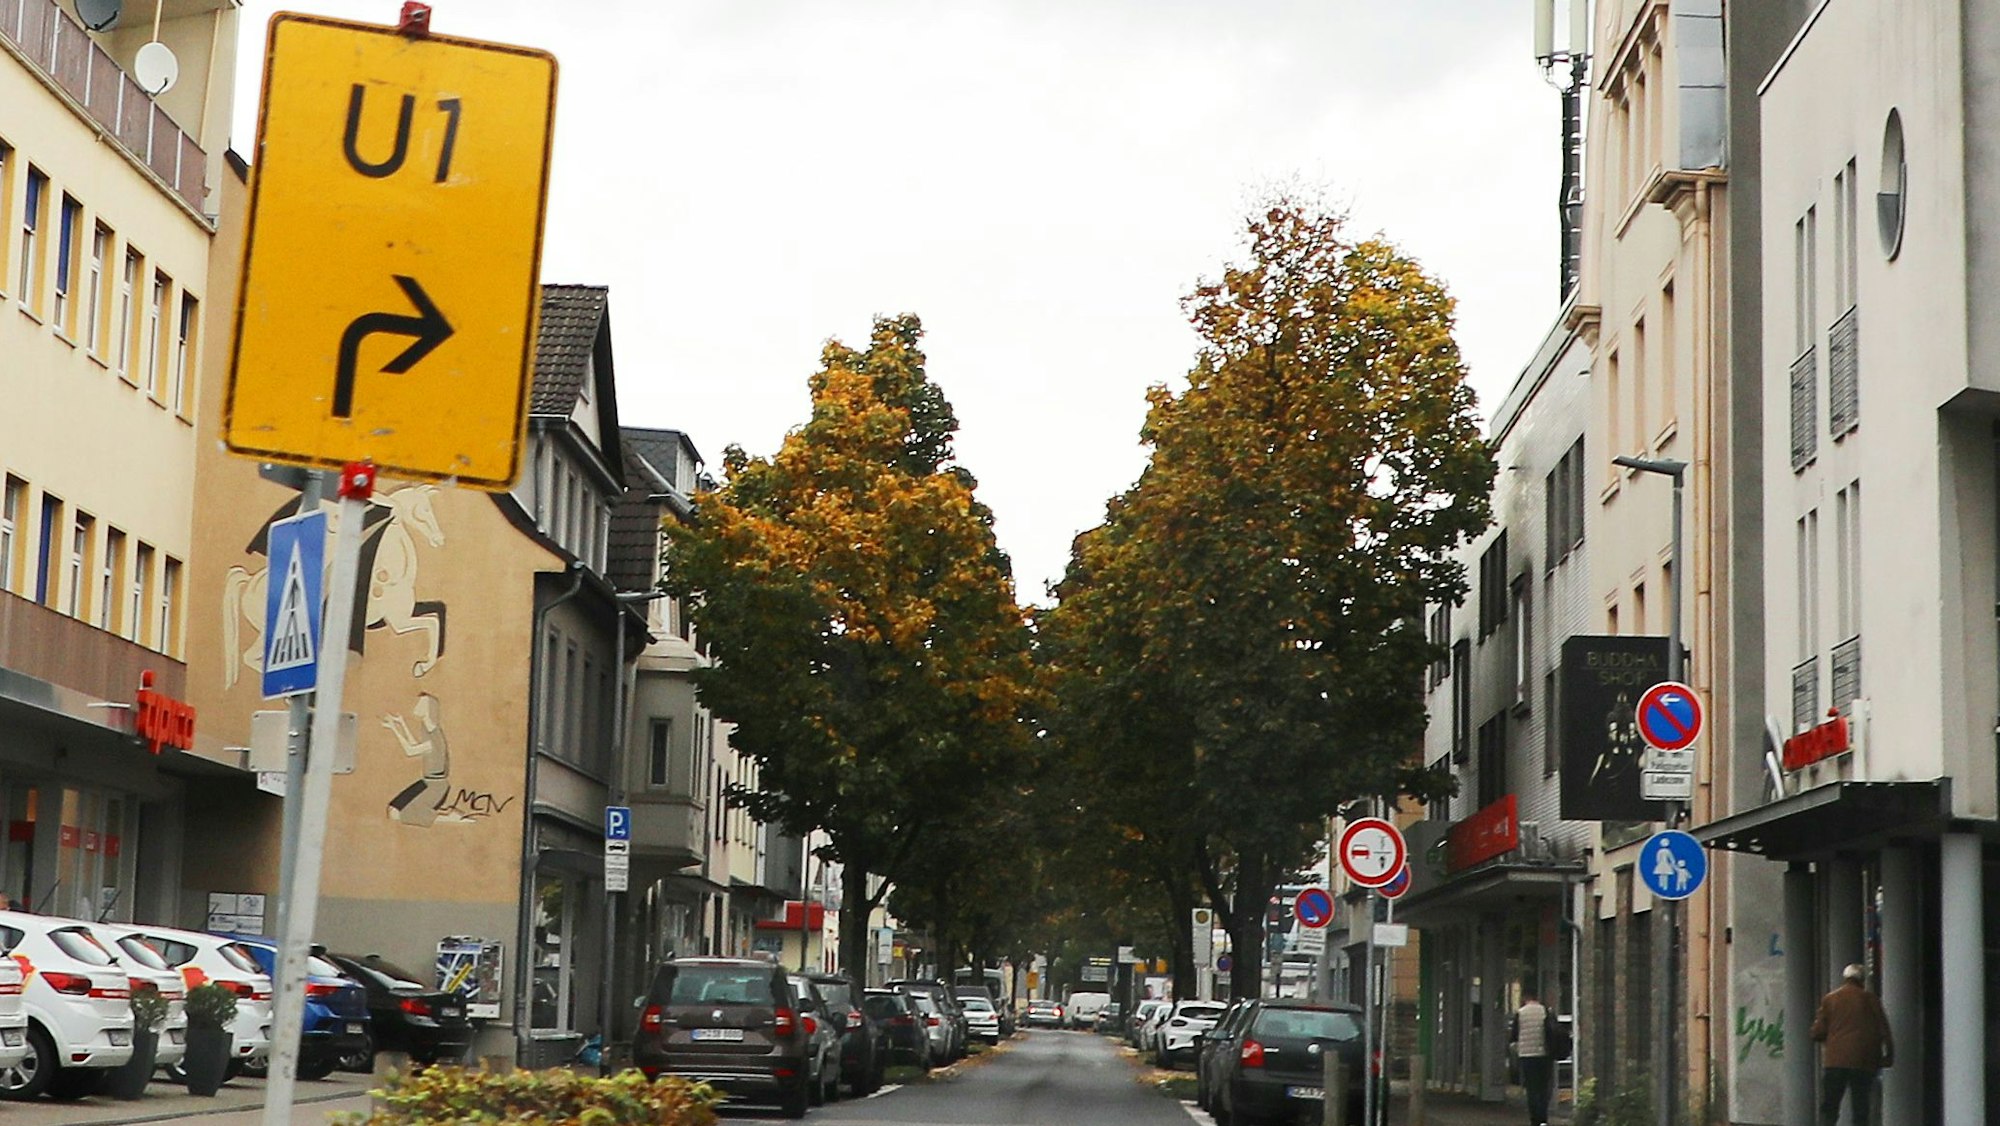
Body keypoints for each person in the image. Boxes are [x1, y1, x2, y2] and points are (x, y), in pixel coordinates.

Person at [1810, 963, 1893, 1126]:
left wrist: (1829, 1040)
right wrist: (1889, 1055)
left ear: (1845, 979)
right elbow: (1884, 1030)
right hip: (1864, 1061)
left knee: (1830, 1105)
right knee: (1861, 1108)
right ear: (1862, 980)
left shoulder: (1830, 999)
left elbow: (1817, 1032)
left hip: (1835, 1061)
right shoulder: (1871, 1000)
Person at [1510, 984, 1554, 1126]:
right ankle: (1543, 1119)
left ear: (1524, 998)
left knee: (1532, 1088)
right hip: (1544, 1054)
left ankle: (1535, 1119)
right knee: (1543, 1087)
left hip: (1527, 1056)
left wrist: (1518, 1050)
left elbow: (1514, 1037)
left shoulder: (1520, 1013)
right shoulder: (1545, 1011)